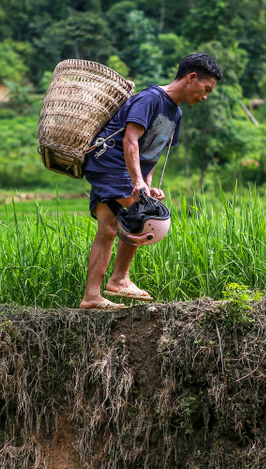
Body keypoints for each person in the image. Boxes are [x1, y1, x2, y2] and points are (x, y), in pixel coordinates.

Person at [79, 52, 222, 310]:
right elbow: (130, 139)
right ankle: (119, 279)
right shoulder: (151, 99)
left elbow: (151, 153)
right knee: (149, 219)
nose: (205, 96)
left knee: (109, 228)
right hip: (108, 160)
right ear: (192, 78)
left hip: (122, 168)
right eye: (206, 88)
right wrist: (136, 182)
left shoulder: (176, 113)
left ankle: (91, 297)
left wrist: (147, 184)